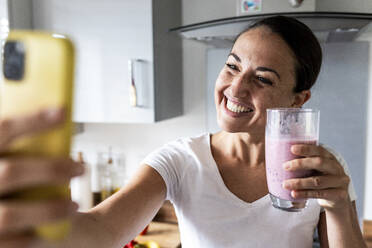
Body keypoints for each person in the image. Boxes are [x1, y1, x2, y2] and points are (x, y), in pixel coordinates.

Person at [0, 16, 367, 248]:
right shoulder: (180, 160)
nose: (235, 89)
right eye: (231, 66)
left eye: (262, 79)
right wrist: (31, 228)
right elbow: (101, 228)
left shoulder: (318, 167)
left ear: (298, 98)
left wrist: (336, 208)